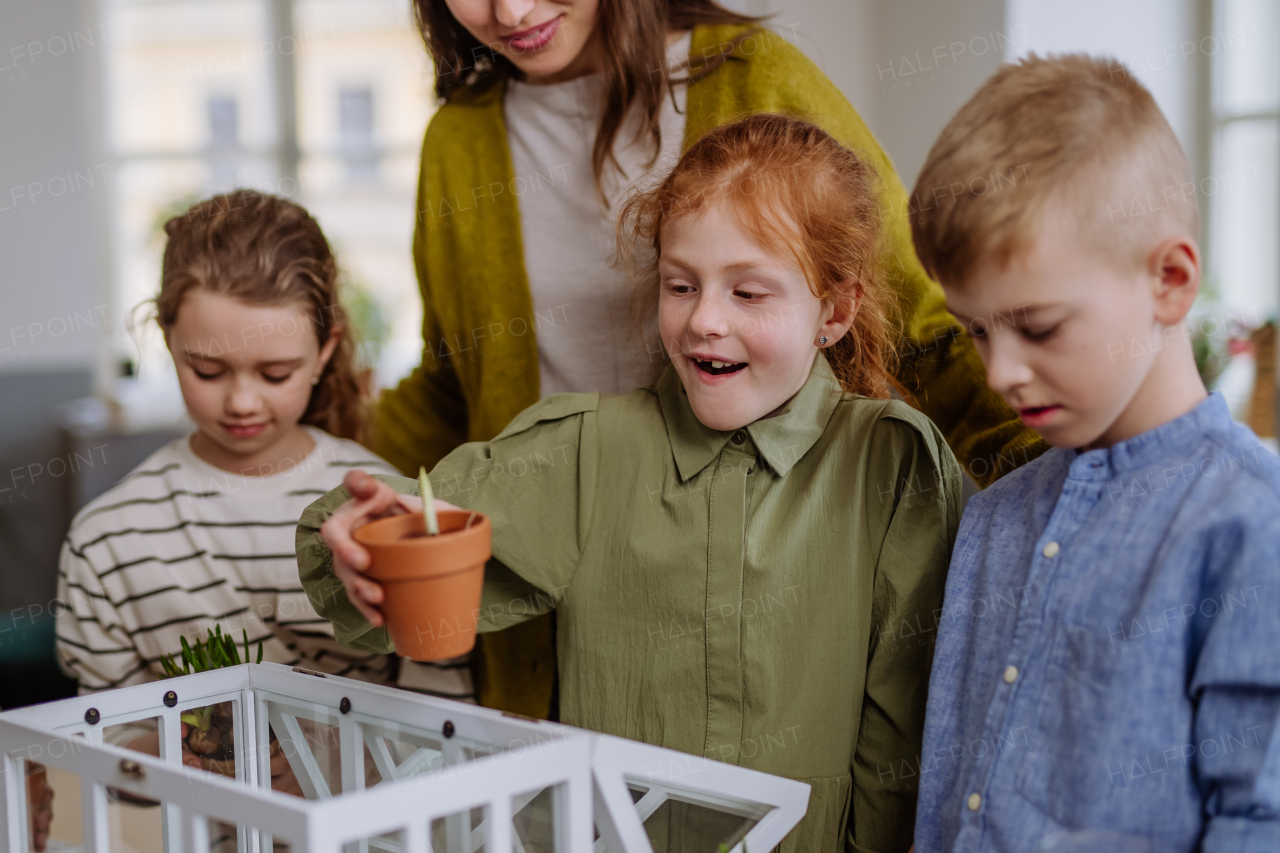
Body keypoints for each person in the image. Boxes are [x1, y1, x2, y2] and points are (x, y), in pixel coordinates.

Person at [298, 115, 962, 852]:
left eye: (749, 293)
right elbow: (387, 549)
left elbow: (907, 743)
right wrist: (363, 546)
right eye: (681, 285)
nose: (704, 320)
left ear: (834, 312)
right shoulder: (588, 452)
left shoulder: (892, 467)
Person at [379, 0, 1044, 718]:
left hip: (746, 621)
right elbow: (454, 385)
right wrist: (304, 464)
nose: (509, 11)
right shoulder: (458, 140)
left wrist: (1064, 479)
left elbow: (926, 333)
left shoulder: (754, 78)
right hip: (548, 641)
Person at [908, 56, 1280, 852]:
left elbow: (1261, 819)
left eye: (1037, 326)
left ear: (1171, 281)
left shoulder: (1251, 524)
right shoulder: (993, 517)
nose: (1000, 370)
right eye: (975, 329)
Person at [54, 190, 402, 787]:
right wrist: (168, 759)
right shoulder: (107, 540)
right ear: (168, 341)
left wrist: (330, 762)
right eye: (208, 370)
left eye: (276, 373)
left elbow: (450, 712)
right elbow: (104, 739)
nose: (241, 402)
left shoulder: (380, 506)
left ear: (324, 350)